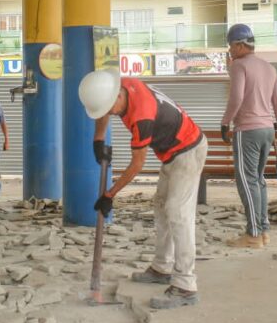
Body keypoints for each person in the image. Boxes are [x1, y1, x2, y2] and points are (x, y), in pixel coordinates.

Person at [79, 68, 208, 310]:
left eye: (109, 108)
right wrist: (99, 139)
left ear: (117, 97)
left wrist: (110, 194)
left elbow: (137, 165)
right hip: (172, 153)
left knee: (178, 213)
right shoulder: (121, 85)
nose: (108, 113)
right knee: (161, 207)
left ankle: (186, 285)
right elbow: (103, 112)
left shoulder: (142, 116)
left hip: (189, 150)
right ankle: (162, 267)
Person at [220, 24, 277, 249]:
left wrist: (224, 122)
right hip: (267, 129)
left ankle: (253, 235)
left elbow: (236, 97)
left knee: (247, 182)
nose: (230, 51)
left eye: (231, 46)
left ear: (240, 45)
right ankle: (264, 230)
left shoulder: (239, 66)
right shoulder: (269, 67)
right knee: (258, 180)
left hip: (247, 130)